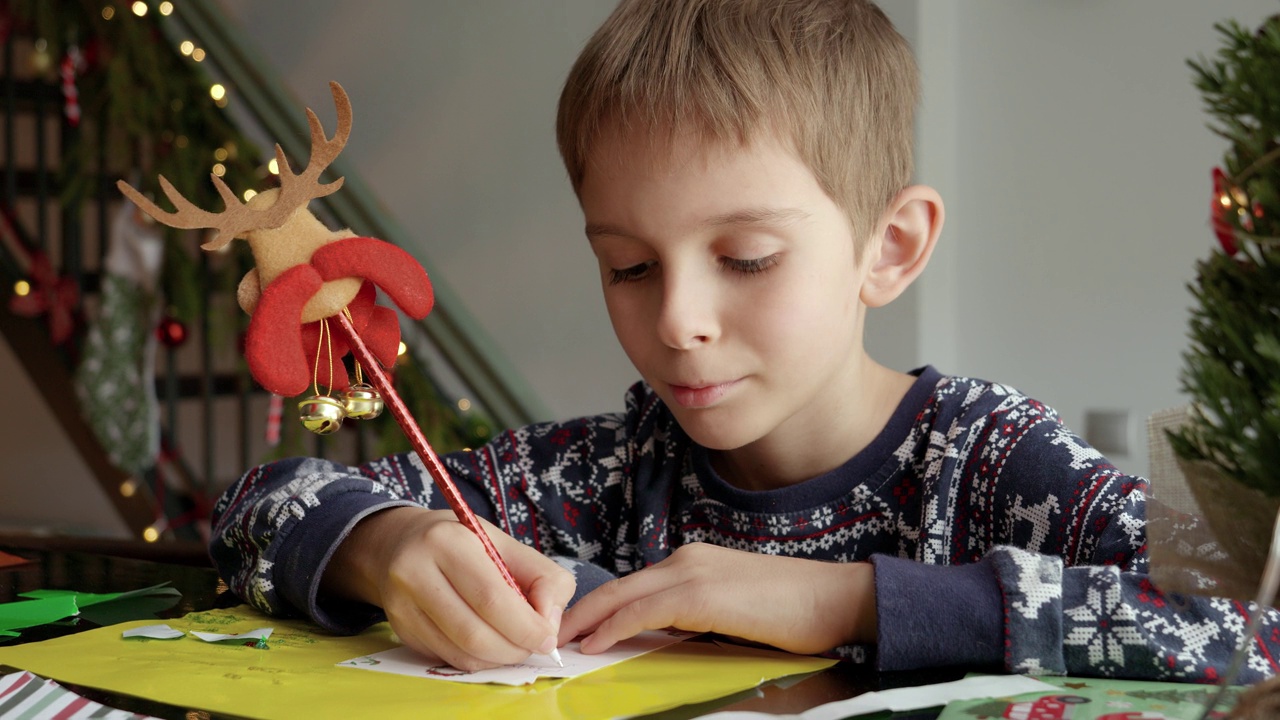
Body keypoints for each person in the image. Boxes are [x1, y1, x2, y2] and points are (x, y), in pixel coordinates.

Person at [210, 0, 1279, 681]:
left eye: (747, 257)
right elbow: (252, 508)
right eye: (627, 266)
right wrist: (388, 551)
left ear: (889, 246)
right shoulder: (603, 468)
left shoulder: (995, 455)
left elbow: (1249, 610)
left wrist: (847, 600)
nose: (675, 320)